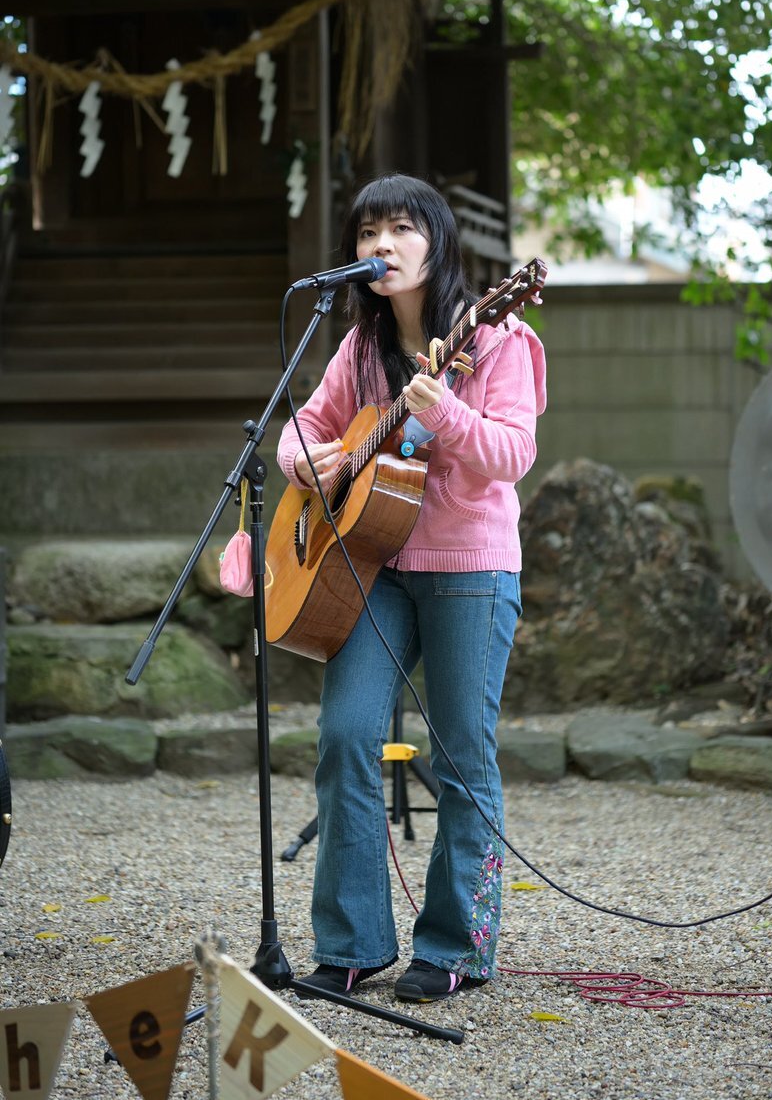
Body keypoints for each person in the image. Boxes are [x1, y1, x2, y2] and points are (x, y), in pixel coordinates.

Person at [276, 173, 546, 1002]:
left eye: (400, 228)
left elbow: (513, 454)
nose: (380, 245)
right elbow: (302, 428)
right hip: (374, 567)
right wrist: (308, 463)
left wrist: (447, 413)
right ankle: (353, 943)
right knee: (345, 735)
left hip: (471, 566)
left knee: (461, 752)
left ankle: (456, 945)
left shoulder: (498, 336)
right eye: (367, 233)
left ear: (438, 241)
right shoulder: (360, 348)